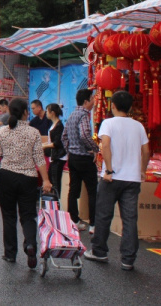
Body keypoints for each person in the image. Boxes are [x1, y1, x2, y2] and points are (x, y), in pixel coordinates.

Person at [84, 91, 150, 271]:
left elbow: (105, 145)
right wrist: (142, 170)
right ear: (130, 108)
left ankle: (99, 251)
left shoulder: (108, 123)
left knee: (104, 215)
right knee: (129, 219)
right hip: (132, 179)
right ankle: (128, 259)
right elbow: (146, 151)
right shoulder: (138, 126)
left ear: (112, 105)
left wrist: (110, 169)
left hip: (111, 178)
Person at [0, 98, 53, 268]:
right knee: (28, 215)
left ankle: (10, 253)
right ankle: (30, 245)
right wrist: (46, 180)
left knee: (9, 215)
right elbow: (40, 159)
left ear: (10, 112)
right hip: (28, 178)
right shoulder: (33, 133)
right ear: (25, 112)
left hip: (7, 176)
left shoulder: (3, 131)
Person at [63, 88, 99, 232]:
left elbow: (64, 137)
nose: (93, 101)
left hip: (73, 157)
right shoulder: (84, 115)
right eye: (92, 99)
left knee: (73, 189)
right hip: (84, 158)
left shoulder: (72, 115)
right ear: (85, 102)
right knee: (92, 190)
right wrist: (95, 148)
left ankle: (74, 220)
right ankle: (93, 224)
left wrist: (70, 150)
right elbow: (84, 135)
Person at [45, 103, 66, 199]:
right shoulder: (54, 125)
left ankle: (56, 203)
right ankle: (52, 202)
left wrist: (44, 146)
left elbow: (57, 143)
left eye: (47, 111)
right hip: (54, 156)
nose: (46, 113)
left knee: (55, 182)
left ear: (52, 113)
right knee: (52, 180)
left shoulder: (59, 126)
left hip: (58, 156)